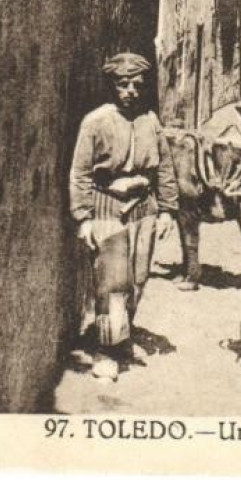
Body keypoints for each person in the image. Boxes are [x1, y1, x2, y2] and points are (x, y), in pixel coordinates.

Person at [69, 52, 179, 380]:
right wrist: (83, 216)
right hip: (107, 207)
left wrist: (168, 211)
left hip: (144, 209)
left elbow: (166, 168)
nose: (130, 90)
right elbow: (80, 172)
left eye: (136, 85)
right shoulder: (95, 121)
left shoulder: (151, 121)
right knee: (112, 281)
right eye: (123, 84)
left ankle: (121, 333)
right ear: (112, 86)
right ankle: (106, 351)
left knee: (138, 278)